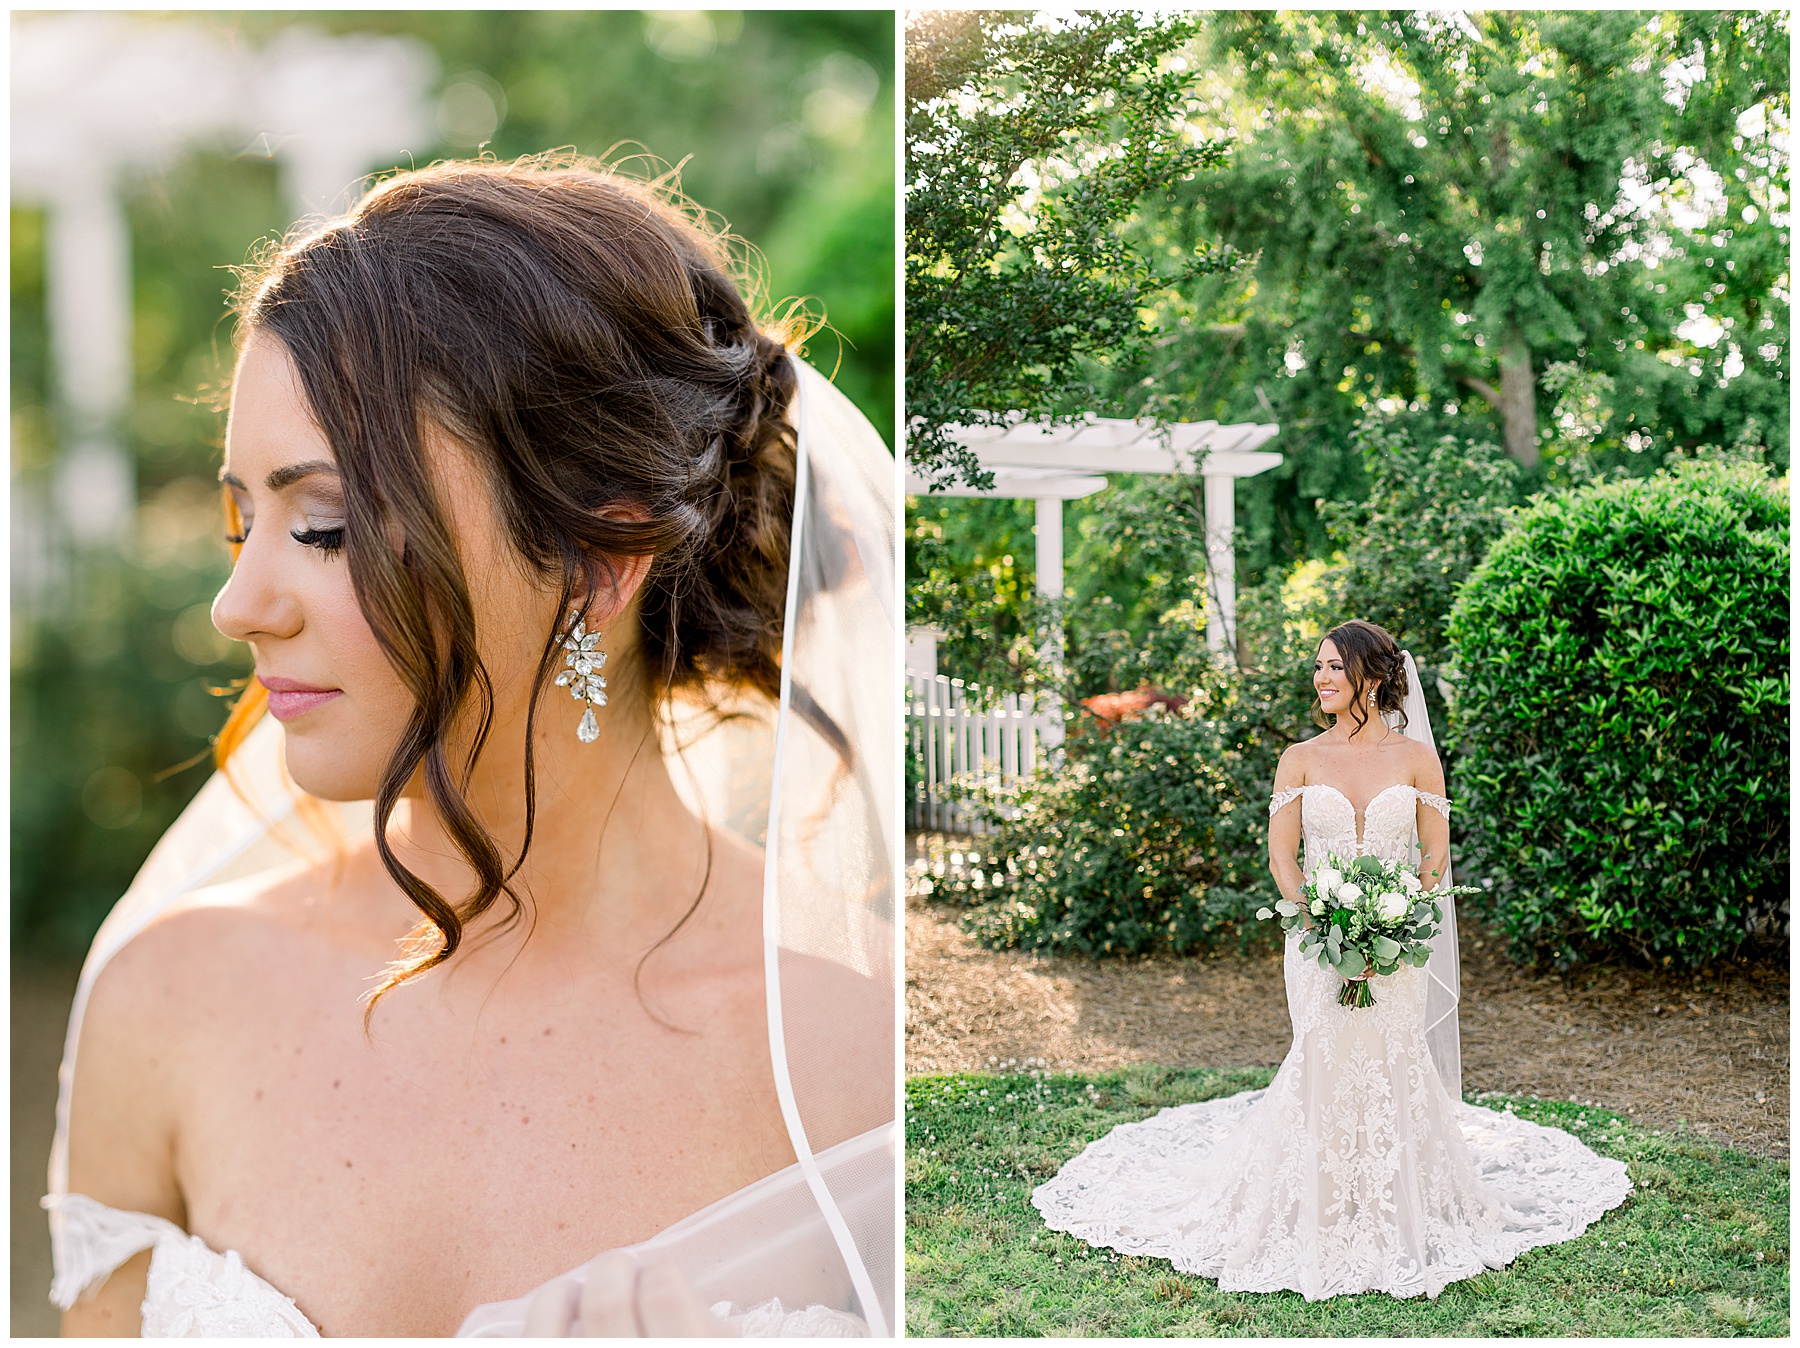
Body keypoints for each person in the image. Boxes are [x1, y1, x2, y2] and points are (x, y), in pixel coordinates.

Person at [45, 155, 895, 1337]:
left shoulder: (859, 1063)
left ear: (601, 558)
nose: (237, 604)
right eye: (244, 522)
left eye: (324, 526)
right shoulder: (170, 998)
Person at [1032, 619, 1630, 1300]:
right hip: (1315, 946)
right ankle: (1320, 1202)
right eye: (1317, 668)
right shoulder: (1300, 757)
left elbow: (1434, 857)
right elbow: (1283, 856)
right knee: (1324, 1054)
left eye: (1334, 669)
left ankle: (1398, 1200)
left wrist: (1397, 921)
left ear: (1372, 678)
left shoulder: (1416, 760)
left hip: (1396, 943)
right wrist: (1318, 922)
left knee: (1390, 1056)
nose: (1320, 679)